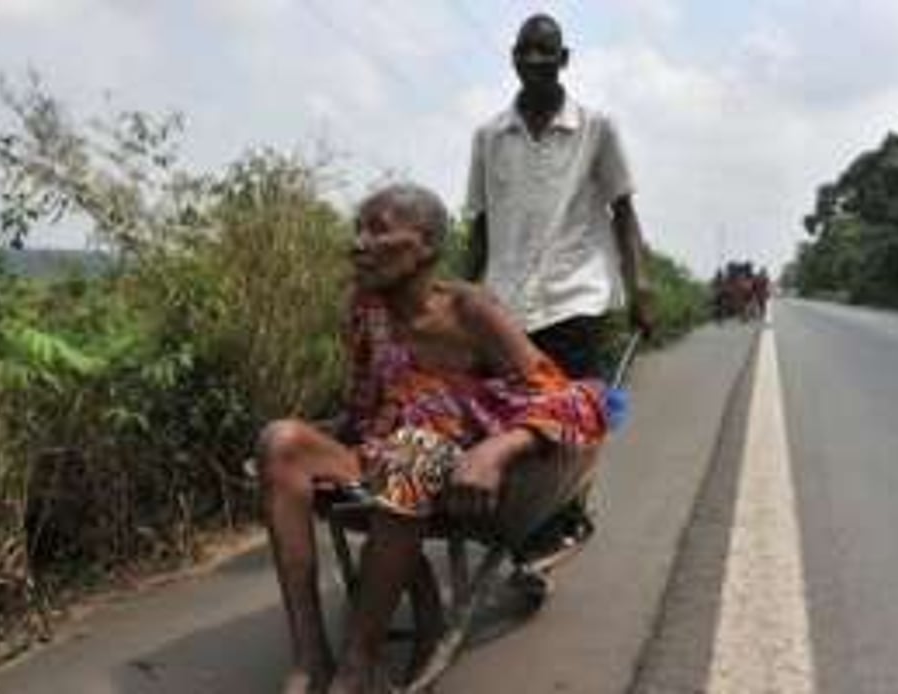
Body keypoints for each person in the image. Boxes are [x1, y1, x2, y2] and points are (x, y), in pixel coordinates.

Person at [256, 183, 607, 694]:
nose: (358, 242)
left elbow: (567, 399)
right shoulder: (364, 308)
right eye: (358, 229)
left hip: (464, 463)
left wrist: (495, 449)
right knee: (279, 440)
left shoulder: (470, 310)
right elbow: (362, 408)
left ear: (424, 246)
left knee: (413, 452)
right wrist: (320, 444)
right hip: (392, 452)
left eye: (377, 229)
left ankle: (358, 661)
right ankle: (310, 658)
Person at [465, 12, 653, 549]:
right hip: (504, 305)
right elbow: (479, 227)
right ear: (512, 57)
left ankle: (559, 520)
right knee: (502, 418)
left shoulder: (596, 129)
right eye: (525, 51)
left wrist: (641, 288)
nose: (534, 61)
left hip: (574, 297)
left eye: (546, 52)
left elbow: (624, 214)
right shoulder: (489, 137)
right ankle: (520, 518)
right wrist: (455, 302)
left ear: (564, 59)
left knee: (564, 421)